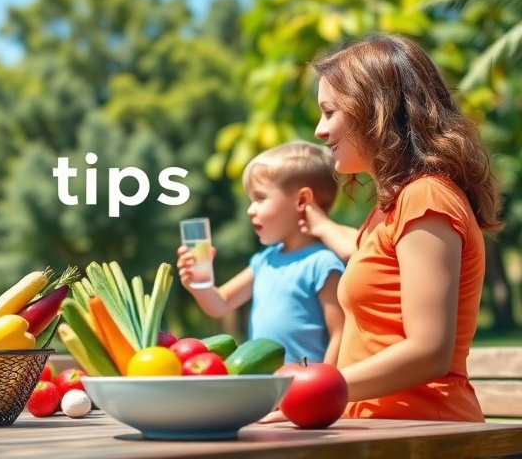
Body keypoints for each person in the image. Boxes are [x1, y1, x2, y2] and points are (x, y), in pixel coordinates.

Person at [295, 33, 503, 422]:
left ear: (373, 109)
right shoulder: (391, 208)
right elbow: (373, 263)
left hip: (425, 432)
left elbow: (428, 350)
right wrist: (320, 226)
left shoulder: (426, 198)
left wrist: (310, 390)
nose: (320, 131)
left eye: (329, 111)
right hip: (382, 431)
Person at [176, 140, 345, 365]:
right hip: (267, 389)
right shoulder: (265, 261)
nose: (250, 210)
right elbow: (220, 304)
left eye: (260, 198)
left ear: (302, 200)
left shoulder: (322, 263)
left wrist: (325, 386)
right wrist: (198, 286)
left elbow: (340, 333)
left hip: (306, 391)